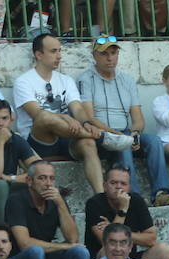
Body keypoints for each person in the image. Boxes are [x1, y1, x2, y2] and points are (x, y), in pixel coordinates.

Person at [77, 38, 169, 209]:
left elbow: (137, 118)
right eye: (104, 54)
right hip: (101, 134)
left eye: (114, 53)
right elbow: (89, 116)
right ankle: (134, 196)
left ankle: (161, 193)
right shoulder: (86, 79)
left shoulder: (127, 80)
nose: (110, 58)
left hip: (124, 131)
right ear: (94, 55)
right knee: (123, 144)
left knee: (153, 141)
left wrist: (135, 133)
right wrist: (119, 135)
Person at [11, 34, 106, 195]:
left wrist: (86, 124)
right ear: (39, 55)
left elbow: (78, 109)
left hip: (67, 136)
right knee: (45, 118)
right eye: (54, 51)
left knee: (88, 144)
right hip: (39, 140)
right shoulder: (24, 81)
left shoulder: (66, 80)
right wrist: (64, 117)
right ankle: (104, 138)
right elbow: (36, 114)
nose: (59, 56)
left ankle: (101, 195)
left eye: (60, 51)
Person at [4, 161, 91, 259]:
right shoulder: (16, 200)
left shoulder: (56, 200)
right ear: (29, 180)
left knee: (80, 252)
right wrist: (63, 246)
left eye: (51, 178)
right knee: (35, 251)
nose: (48, 183)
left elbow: (73, 239)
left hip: (46, 257)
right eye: (42, 178)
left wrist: (61, 204)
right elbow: (24, 243)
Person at [83, 166, 169, 259]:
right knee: (107, 251)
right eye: (113, 183)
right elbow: (107, 241)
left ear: (129, 188)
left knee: (165, 250)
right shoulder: (94, 203)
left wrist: (115, 229)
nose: (118, 187)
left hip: (130, 258)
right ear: (105, 186)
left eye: (123, 183)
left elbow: (151, 239)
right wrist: (122, 210)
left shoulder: (136, 201)